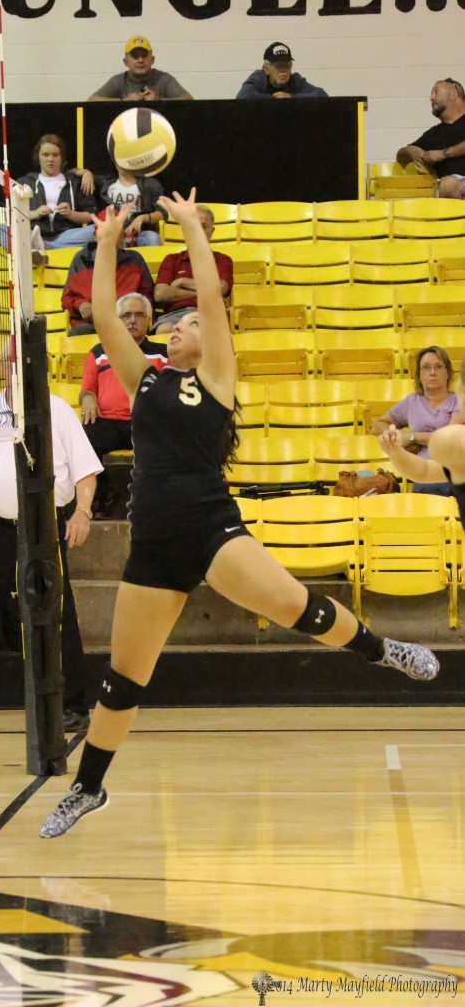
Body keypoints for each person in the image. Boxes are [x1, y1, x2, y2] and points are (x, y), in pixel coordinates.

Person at [39, 192, 440, 840]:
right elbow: (110, 322)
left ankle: (380, 649)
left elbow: (212, 302)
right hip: (154, 545)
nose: (181, 327)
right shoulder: (147, 377)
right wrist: (109, 241)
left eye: (189, 324)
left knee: (298, 609)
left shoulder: (218, 378)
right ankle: (88, 789)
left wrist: (194, 232)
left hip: (210, 528)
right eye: (178, 325)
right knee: (120, 683)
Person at [0, 340, 101, 734]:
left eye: (25, 364)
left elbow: (86, 472)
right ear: (3, 367)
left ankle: (74, 704)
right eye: (11, 363)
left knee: (60, 613)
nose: (18, 370)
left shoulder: (58, 411)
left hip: (46, 524)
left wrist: (82, 511)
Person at [81, 293, 168, 520]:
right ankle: (104, 497)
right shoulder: (98, 353)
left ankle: (149, 502)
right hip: (107, 422)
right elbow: (87, 388)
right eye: (126, 315)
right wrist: (87, 398)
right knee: (83, 439)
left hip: (146, 422)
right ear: (117, 321)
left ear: (149, 320)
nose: (132, 320)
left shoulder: (164, 353)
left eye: (139, 315)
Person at [378, 356, 465, 515]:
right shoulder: (412, 401)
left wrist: (411, 436)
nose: (432, 372)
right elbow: (423, 471)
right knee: (425, 487)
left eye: (439, 366)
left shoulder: (457, 441)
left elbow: (444, 440)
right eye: (426, 367)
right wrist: (395, 451)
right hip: (434, 473)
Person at [0, 134, 96, 251]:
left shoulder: (74, 181)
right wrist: (36, 213)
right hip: (33, 234)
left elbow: (91, 215)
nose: (50, 159)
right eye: (45, 155)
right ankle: (37, 245)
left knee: (97, 229)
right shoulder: (25, 183)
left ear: (62, 157)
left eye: (55, 155)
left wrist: (71, 214)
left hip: (66, 236)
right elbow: (12, 214)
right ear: (38, 157)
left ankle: (41, 248)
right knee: (0, 229)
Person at [152, 205, 234, 332]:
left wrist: (182, 282)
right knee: (163, 330)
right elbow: (160, 294)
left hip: (209, 314)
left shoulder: (222, 260)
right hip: (175, 316)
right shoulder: (171, 260)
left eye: (204, 226)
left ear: (212, 231)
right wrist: (204, 292)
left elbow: (220, 288)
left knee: (201, 331)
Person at [61, 235, 154, 334]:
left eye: (116, 232)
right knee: (79, 333)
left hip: (128, 323)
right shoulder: (80, 259)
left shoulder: (135, 259)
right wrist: (80, 304)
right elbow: (66, 298)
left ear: (123, 236)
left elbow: (147, 297)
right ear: (96, 235)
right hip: (90, 325)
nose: (111, 236)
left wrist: (127, 310)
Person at [396, 78, 465, 199]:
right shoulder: (434, 134)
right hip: (452, 192)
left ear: (454, 94)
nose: (431, 98)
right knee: (448, 185)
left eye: (436, 92)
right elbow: (400, 156)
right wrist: (409, 151)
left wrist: (444, 154)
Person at [88, 35, 193, 102]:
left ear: (152, 60)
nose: (140, 60)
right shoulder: (119, 81)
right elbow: (91, 100)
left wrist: (159, 100)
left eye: (144, 55)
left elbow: (189, 100)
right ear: (125, 62)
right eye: (135, 56)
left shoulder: (164, 79)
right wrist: (124, 100)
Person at [93, 165, 167, 247]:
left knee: (153, 238)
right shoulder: (107, 185)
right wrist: (85, 173)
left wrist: (142, 218)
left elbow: (162, 213)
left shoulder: (149, 184)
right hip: (114, 232)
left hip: (140, 231)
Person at [236, 42, 328, 100]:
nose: (284, 70)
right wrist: (275, 99)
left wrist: (290, 97)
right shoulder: (260, 77)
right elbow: (243, 96)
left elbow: (322, 95)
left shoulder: (294, 79)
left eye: (287, 66)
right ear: (266, 69)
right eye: (279, 66)